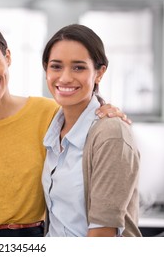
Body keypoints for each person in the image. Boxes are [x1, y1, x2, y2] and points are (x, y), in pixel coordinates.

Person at [0, 18, 128, 237]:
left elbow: (84, 108)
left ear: (7, 57)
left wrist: (107, 109)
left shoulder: (49, 113)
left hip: (36, 237)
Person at [41, 24, 141, 237]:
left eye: (78, 67)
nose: (65, 77)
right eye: (56, 66)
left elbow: (103, 235)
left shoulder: (111, 135)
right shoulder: (53, 127)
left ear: (99, 73)